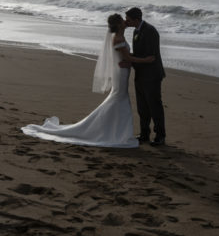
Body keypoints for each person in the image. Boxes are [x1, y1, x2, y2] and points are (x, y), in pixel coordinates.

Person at [21, 14, 154, 148]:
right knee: (119, 98)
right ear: (119, 24)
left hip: (123, 71)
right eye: (122, 20)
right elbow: (128, 58)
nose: (125, 21)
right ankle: (113, 131)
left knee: (119, 98)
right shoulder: (118, 38)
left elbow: (126, 57)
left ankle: (115, 130)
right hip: (121, 73)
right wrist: (146, 60)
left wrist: (129, 60)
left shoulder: (120, 35)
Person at [124, 7, 166, 146]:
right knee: (142, 107)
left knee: (155, 106)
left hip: (152, 75)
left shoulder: (150, 31)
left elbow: (150, 57)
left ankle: (160, 136)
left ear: (136, 19)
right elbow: (139, 53)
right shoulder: (136, 30)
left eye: (128, 20)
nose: (126, 22)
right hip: (141, 74)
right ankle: (144, 134)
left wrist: (130, 59)